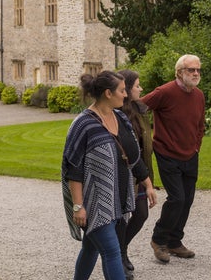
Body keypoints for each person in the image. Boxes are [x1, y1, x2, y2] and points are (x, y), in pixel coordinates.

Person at [62, 71, 156, 280]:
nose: (125, 95)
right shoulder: (83, 125)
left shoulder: (120, 117)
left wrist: (148, 183)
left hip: (118, 201)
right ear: (107, 93)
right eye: (122, 91)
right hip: (95, 204)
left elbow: (133, 156)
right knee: (112, 252)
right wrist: (78, 206)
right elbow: (73, 169)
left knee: (91, 248)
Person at [140, 54, 205, 264]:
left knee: (187, 200)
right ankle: (158, 240)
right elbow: (138, 107)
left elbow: (200, 125)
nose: (195, 74)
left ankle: (175, 241)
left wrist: (196, 146)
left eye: (197, 70)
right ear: (179, 72)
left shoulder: (198, 95)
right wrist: (143, 135)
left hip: (190, 154)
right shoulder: (165, 92)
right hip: (167, 153)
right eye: (191, 70)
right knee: (177, 198)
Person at [117, 69, 155, 275]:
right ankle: (118, 257)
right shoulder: (116, 114)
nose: (141, 89)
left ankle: (121, 248)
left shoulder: (140, 110)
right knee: (122, 218)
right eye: (137, 85)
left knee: (141, 214)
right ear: (127, 88)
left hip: (140, 171)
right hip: (123, 174)